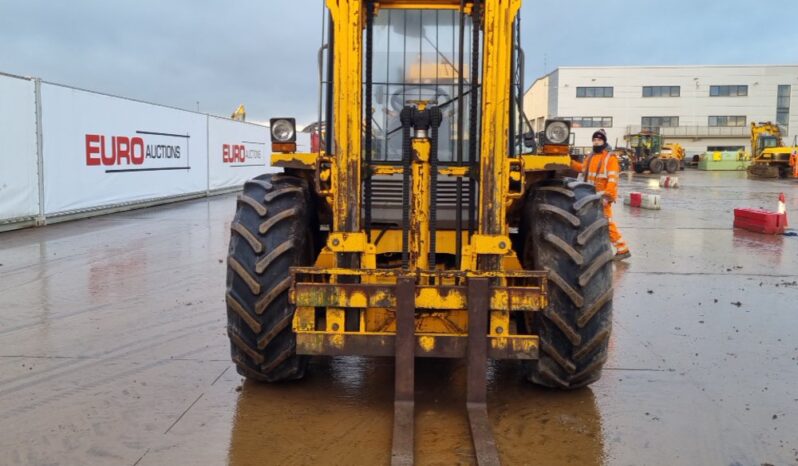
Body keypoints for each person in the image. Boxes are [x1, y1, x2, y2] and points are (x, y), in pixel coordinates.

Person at [571, 129, 631, 261]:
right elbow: (583, 169)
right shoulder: (591, 156)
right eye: (594, 140)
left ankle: (622, 249)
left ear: (604, 141)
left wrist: (607, 195)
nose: (596, 142)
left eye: (599, 140)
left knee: (606, 223)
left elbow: (612, 178)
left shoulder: (610, 158)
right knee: (592, 222)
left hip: (602, 196)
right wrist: (570, 163)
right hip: (590, 195)